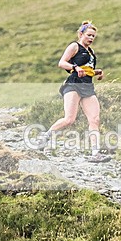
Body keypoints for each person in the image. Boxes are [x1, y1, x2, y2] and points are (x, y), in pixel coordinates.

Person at [37, 20, 110, 162]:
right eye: (88, 35)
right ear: (80, 34)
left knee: (95, 119)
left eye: (93, 36)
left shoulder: (91, 52)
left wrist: (97, 72)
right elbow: (62, 62)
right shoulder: (74, 46)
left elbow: (86, 70)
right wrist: (75, 68)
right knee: (69, 119)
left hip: (87, 87)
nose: (91, 38)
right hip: (74, 85)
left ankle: (96, 153)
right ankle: (45, 137)